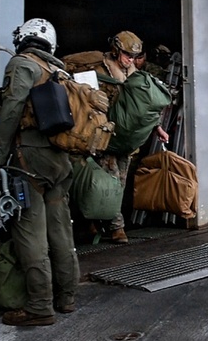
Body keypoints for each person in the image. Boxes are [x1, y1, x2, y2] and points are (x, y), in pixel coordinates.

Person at [0, 18, 80, 326]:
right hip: (60, 160)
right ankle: (66, 297)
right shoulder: (59, 71)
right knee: (60, 229)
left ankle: (39, 306)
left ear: (22, 39)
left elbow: (11, 113)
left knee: (30, 232)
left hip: (30, 161)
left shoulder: (22, 65)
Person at [64, 31, 168, 243]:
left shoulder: (132, 72)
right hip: (103, 133)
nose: (130, 60)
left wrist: (156, 127)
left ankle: (99, 223)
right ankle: (113, 227)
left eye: (133, 56)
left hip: (126, 138)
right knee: (106, 180)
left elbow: (138, 106)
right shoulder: (97, 67)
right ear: (116, 50)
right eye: (127, 55)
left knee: (118, 181)